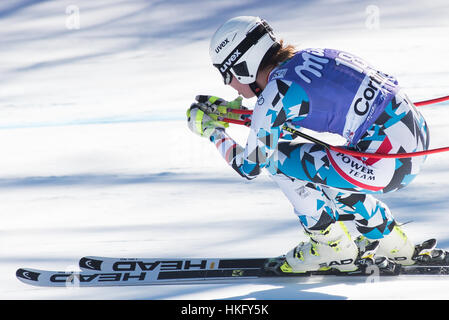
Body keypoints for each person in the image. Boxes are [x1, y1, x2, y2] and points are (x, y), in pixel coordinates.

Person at [186, 16, 439, 273]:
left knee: (278, 162)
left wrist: (212, 131)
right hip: (409, 144)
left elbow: (250, 166)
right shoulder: (307, 57)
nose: (227, 83)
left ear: (243, 65)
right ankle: (395, 245)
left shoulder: (277, 93)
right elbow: (279, 120)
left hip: (387, 163)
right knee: (320, 171)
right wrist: (232, 113)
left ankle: (331, 245)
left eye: (226, 73)